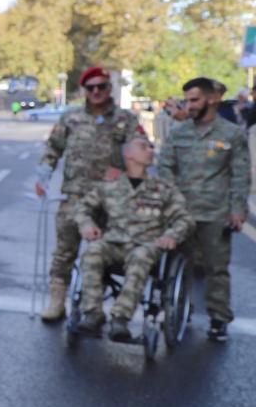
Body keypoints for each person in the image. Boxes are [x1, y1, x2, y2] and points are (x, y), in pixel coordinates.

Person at [34, 66, 142, 322]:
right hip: (73, 196)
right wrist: (43, 175)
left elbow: (139, 152)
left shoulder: (126, 119)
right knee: (64, 252)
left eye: (101, 86)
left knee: (101, 253)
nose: (96, 92)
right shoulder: (71, 118)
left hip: (110, 201)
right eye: (90, 87)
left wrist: (125, 172)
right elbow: (53, 148)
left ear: (109, 88)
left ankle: (92, 305)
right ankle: (57, 301)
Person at [72, 136, 194, 340]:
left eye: (151, 146)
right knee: (92, 252)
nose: (150, 150)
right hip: (113, 243)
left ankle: (120, 318)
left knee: (140, 257)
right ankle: (93, 313)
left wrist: (171, 236)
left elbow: (185, 219)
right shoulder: (109, 187)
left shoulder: (163, 189)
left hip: (146, 246)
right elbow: (81, 208)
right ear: (128, 154)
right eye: (143, 146)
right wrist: (88, 225)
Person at [158, 77, 251, 342]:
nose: (189, 105)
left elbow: (240, 175)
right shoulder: (179, 132)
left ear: (212, 99)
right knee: (179, 265)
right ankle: (179, 309)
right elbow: (165, 167)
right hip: (181, 214)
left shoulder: (231, 134)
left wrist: (237, 210)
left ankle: (219, 318)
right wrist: (168, 200)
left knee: (216, 269)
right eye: (186, 100)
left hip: (215, 214)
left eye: (195, 100)